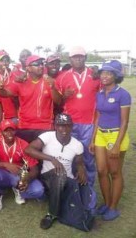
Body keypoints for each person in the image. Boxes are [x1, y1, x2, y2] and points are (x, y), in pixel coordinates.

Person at [55, 46, 100, 210]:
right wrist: (63, 96)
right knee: (69, 158)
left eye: (81, 57)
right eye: (74, 57)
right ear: (70, 59)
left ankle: (87, 194)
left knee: (87, 159)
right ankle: (71, 193)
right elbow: (57, 101)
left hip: (88, 123)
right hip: (69, 125)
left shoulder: (96, 76)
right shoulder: (62, 77)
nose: (78, 59)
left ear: (85, 57)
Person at [25, 113, 87, 230]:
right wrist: (51, 159)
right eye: (61, 125)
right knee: (59, 174)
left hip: (67, 180)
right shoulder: (47, 137)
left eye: (68, 126)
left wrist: (81, 169)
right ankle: (52, 214)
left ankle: (60, 200)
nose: (64, 129)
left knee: (79, 188)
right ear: (55, 126)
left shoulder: (77, 145)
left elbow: (79, 162)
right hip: (48, 177)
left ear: (72, 126)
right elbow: (28, 149)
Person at [89, 60, 131, 221]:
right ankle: (106, 204)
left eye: (109, 73)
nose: (105, 76)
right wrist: (93, 139)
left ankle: (113, 207)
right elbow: (98, 117)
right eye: (103, 72)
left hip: (115, 136)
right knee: (101, 171)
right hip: (101, 134)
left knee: (115, 172)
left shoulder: (123, 94)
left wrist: (117, 145)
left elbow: (124, 122)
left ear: (116, 75)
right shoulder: (99, 94)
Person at [0, 55, 61, 143]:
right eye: (37, 64)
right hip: (25, 126)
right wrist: (0, 88)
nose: (41, 66)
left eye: (42, 64)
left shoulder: (49, 81)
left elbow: (58, 101)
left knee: (42, 156)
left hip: (45, 127)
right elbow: (5, 94)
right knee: (25, 155)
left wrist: (53, 87)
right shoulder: (21, 82)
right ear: (28, 68)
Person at [0, 120, 44, 210]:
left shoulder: (23, 144)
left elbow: (34, 168)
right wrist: (7, 165)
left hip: (17, 175)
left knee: (38, 190)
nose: (9, 133)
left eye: (11, 130)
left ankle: (18, 189)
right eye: (6, 130)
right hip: (2, 173)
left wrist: (26, 180)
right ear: (1, 132)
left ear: (15, 131)